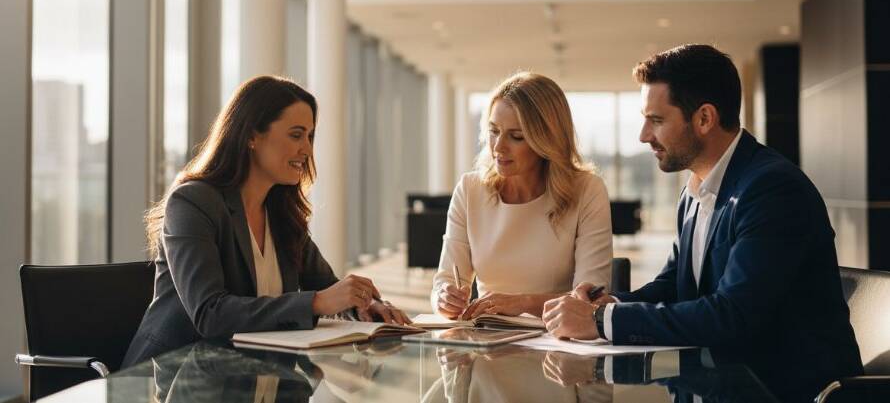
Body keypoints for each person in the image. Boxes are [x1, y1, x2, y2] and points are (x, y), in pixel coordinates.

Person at [542, 45, 862, 402]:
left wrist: (602, 323)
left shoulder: (772, 190)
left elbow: (731, 315)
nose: (644, 135)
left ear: (704, 119)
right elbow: (675, 286)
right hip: (720, 383)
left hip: (783, 391)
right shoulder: (695, 191)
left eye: (657, 120)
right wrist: (606, 305)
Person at [124, 76, 409, 366]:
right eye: (296, 135)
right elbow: (209, 313)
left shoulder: (281, 213)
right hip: (172, 378)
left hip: (250, 373)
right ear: (251, 136)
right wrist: (318, 302)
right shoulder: (192, 202)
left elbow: (326, 286)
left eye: (310, 136)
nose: (307, 150)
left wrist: (363, 305)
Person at [431, 72, 613, 320]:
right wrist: (444, 297)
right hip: (489, 343)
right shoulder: (469, 189)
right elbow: (444, 281)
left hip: (561, 343)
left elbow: (591, 299)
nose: (498, 147)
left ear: (546, 140)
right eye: (494, 131)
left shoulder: (587, 190)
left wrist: (523, 303)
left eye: (516, 137)